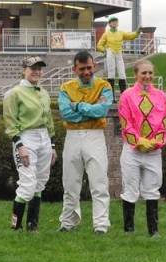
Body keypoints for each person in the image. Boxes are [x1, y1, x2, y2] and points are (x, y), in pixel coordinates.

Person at [57, 51, 113, 234]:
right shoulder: (66, 87)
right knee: (70, 183)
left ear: (94, 66)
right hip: (72, 136)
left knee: (99, 182)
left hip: (95, 135)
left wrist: (78, 106)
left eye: (89, 67)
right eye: (82, 69)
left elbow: (102, 111)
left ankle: (101, 225)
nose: (87, 72)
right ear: (75, 69)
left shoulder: (104, 86)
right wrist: (90, 109)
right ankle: (68, 222)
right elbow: (66, 113)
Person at [4, 56, 56, 232]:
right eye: (32, 68)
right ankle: (15, 227)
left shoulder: (43, 92)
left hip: (44, 138)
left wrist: (53, 145)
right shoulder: (14, 93)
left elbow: (49, 120)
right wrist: (19, 145)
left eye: (39, 68)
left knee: (40, 182)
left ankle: (32, 226)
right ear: (24, 70)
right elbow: (10, 122)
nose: (36, 71)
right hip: (26, 138)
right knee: (27, 184)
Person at [117, 61, 166, 237]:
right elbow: (125, 122)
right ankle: (129, 230)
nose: (147, 76)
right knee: (130, 189)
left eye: (150, 73)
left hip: (154, 151)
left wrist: (155, 142)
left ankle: (153, 231)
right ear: (135, 75)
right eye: (143, 73)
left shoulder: (161, 96)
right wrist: (138, 141)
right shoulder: (127, 95)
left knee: (152, 188)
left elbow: (164, 122)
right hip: (132, 150)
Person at [96, 16, 140, 94]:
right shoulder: (106, 34)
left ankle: (123, 94)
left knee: (122, 73)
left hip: (119, 53)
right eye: (113, 21)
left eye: (116, 21)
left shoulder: (121, 33)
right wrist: (105, 50)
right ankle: (111, 95)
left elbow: (130, 36)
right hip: (110, 52)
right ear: (109, 24)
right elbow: (99, 45)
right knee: (111, 72)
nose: (115, 23)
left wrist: (137, 32)